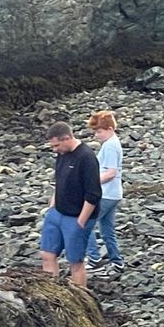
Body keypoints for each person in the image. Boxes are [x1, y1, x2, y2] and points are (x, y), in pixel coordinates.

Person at [40, 121, 102, 290]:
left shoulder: (86, 157)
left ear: (67, 138)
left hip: (76, 217)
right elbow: (59, 180)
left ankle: (80, 296)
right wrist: (52, 205)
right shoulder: (62, 153)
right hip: (57, 213)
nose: (55, 150)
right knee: (47, 254)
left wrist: (81, 221)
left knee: (75, 261)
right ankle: (52, 292)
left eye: (56, 145)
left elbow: (94, 194)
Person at [87, 110, 123, 276]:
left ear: (110, 129)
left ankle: (94, 259)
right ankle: (117, 261)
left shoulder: (110, 146)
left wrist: (90, 183)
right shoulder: (113, 142)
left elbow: (110, 173)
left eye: (99, 131)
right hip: (114, 193)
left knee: (84, 224)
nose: (96, 135)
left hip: (106, 194)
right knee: (107, 230)